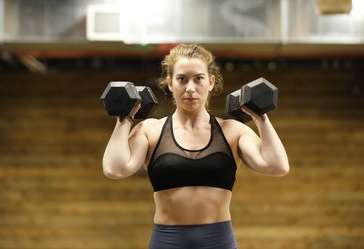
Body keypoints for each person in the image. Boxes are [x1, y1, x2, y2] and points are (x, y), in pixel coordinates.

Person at [102, 43, 289, 249]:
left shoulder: (233, 131)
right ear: (170, 83)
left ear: (210, 82)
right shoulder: (150, 130)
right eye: (182, 79)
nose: (190, 88)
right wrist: (125, 118)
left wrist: (260, 117)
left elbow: (278, 166)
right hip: (167, 242)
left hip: (219, 242)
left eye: (198, 78)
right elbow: (114, 169)